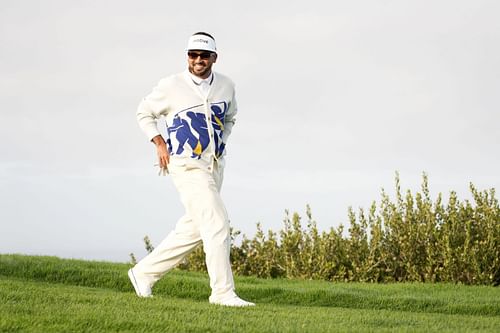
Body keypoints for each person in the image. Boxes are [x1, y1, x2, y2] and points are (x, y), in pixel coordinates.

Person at [129, 32, 255, 307]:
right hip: (185, 165)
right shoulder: (170, 85)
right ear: (187, 56)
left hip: (214, 165)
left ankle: (143, 273)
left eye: (203, 56)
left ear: (214, 58)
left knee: (195, 228)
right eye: (192, 55)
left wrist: (220, 141)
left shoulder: (226, 85)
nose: (197, 60)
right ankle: (222, 294)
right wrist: (159, 141)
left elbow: (230, 117)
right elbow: (144, 112)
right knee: (217, 222)